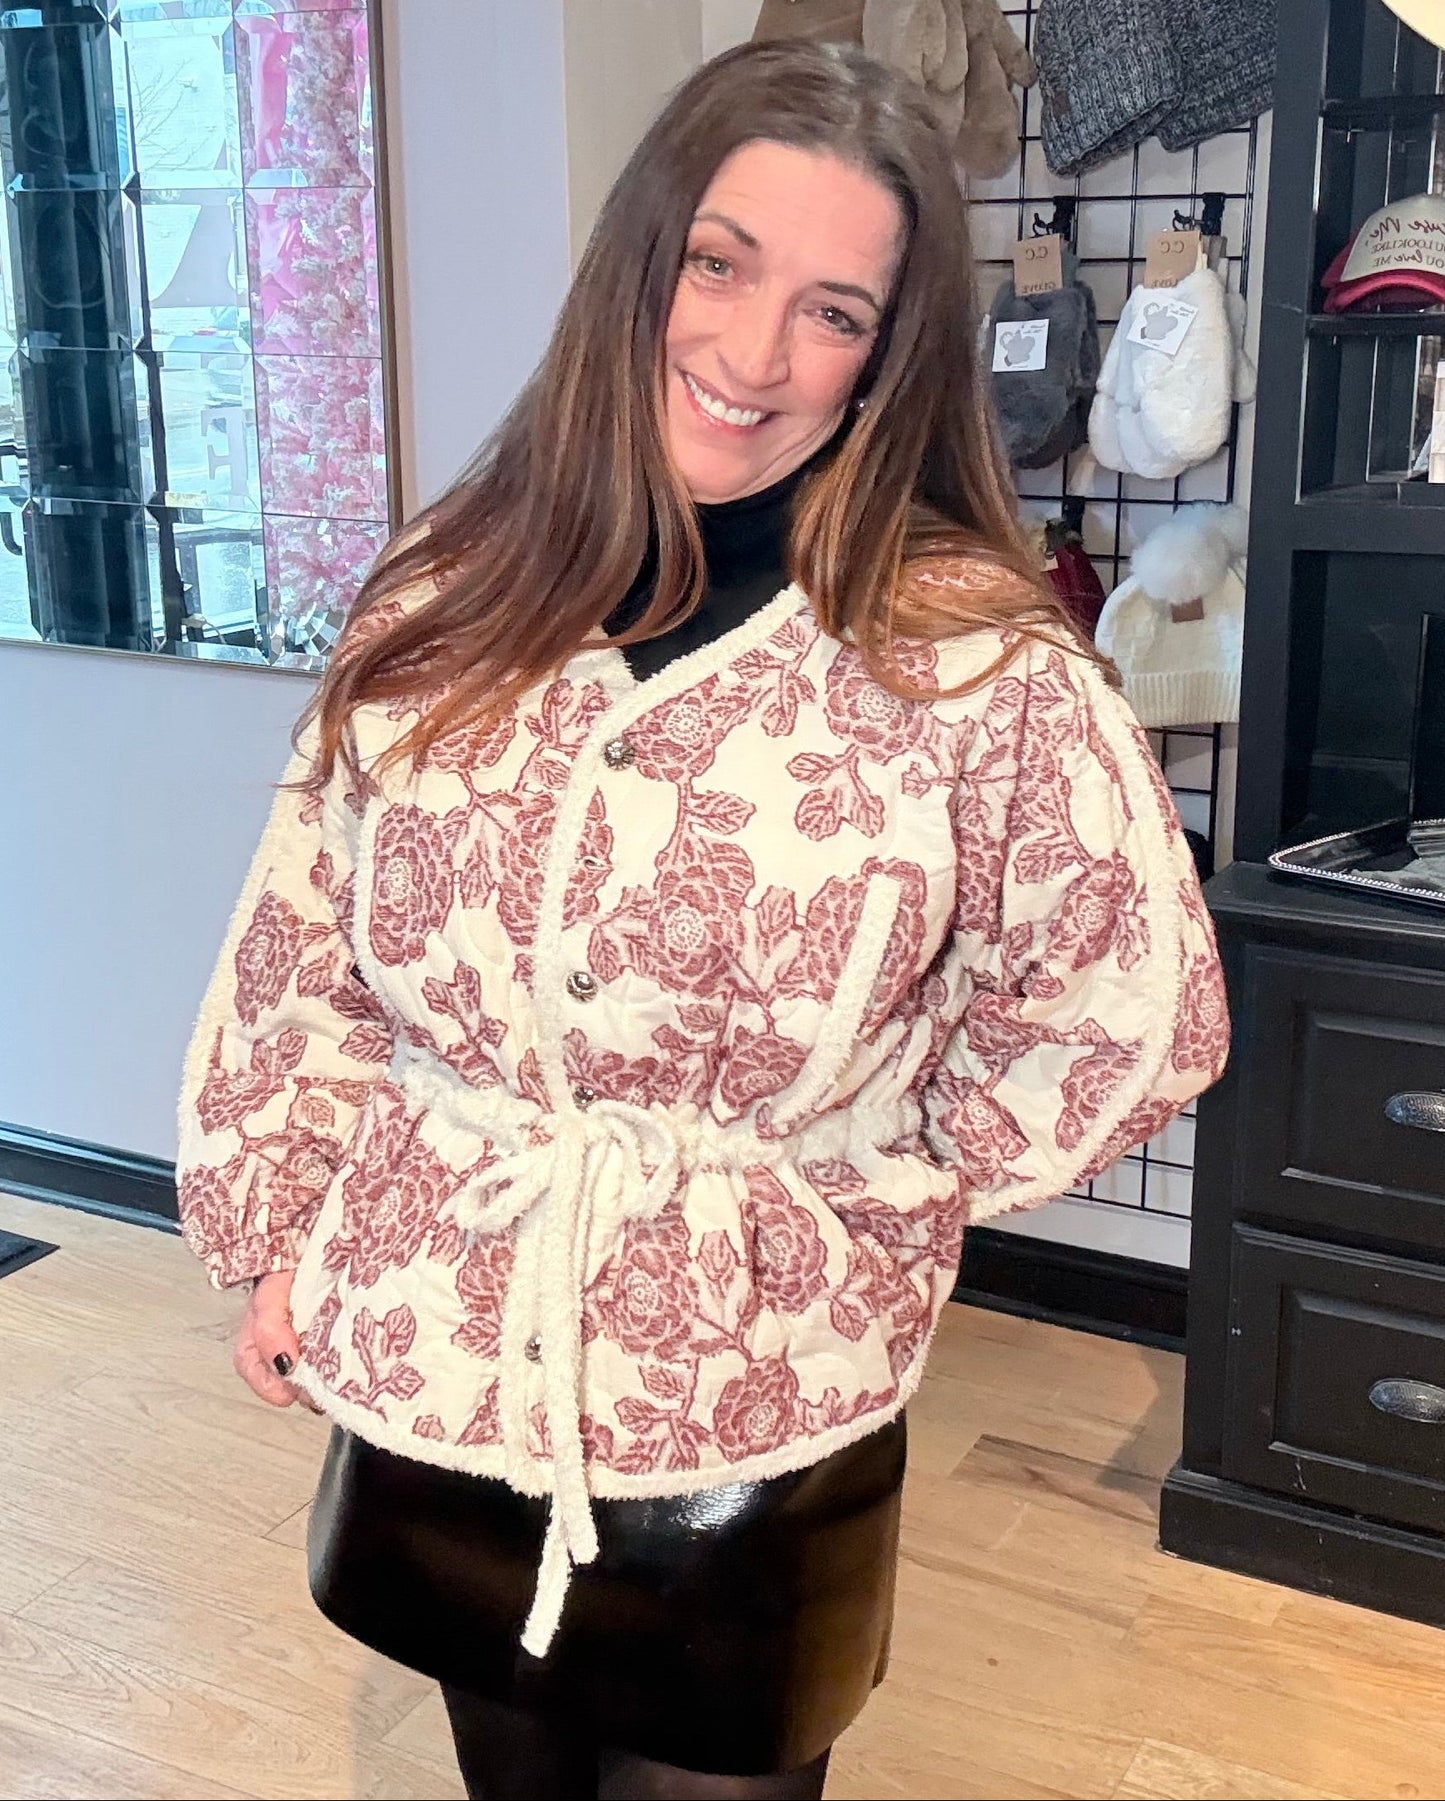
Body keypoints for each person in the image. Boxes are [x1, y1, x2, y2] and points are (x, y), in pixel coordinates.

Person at [176, 38, 1229, 1801]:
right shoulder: (451, 592)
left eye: (832, 309)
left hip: (760, 1387)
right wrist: (282, 1216)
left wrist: (872, 1179)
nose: (751, 355)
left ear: (891, 353)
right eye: (719, 263)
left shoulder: (968, 660)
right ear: (640, 260)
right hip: (449, 1341)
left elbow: (1129, 1002)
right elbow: (305, 941)